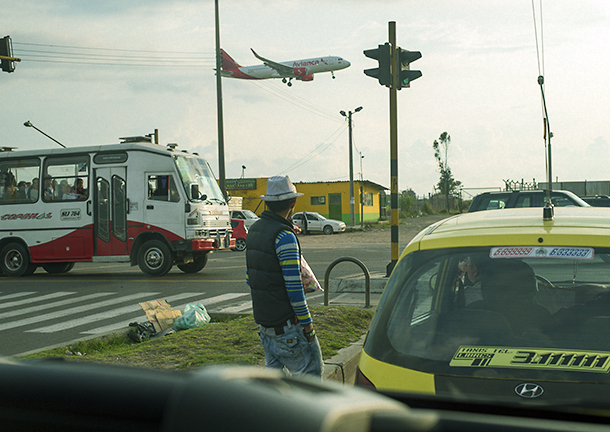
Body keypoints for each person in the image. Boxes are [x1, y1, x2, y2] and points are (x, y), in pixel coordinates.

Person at [245, 176, 323, 377]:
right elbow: (294, 290)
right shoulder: (285, 236)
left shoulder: (253, 231)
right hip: (288, 329)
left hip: (265, 328)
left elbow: (249, 278)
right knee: (311, 381)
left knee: (275, 390)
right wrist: (308, 326)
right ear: (292, 202)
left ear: (268, 203)